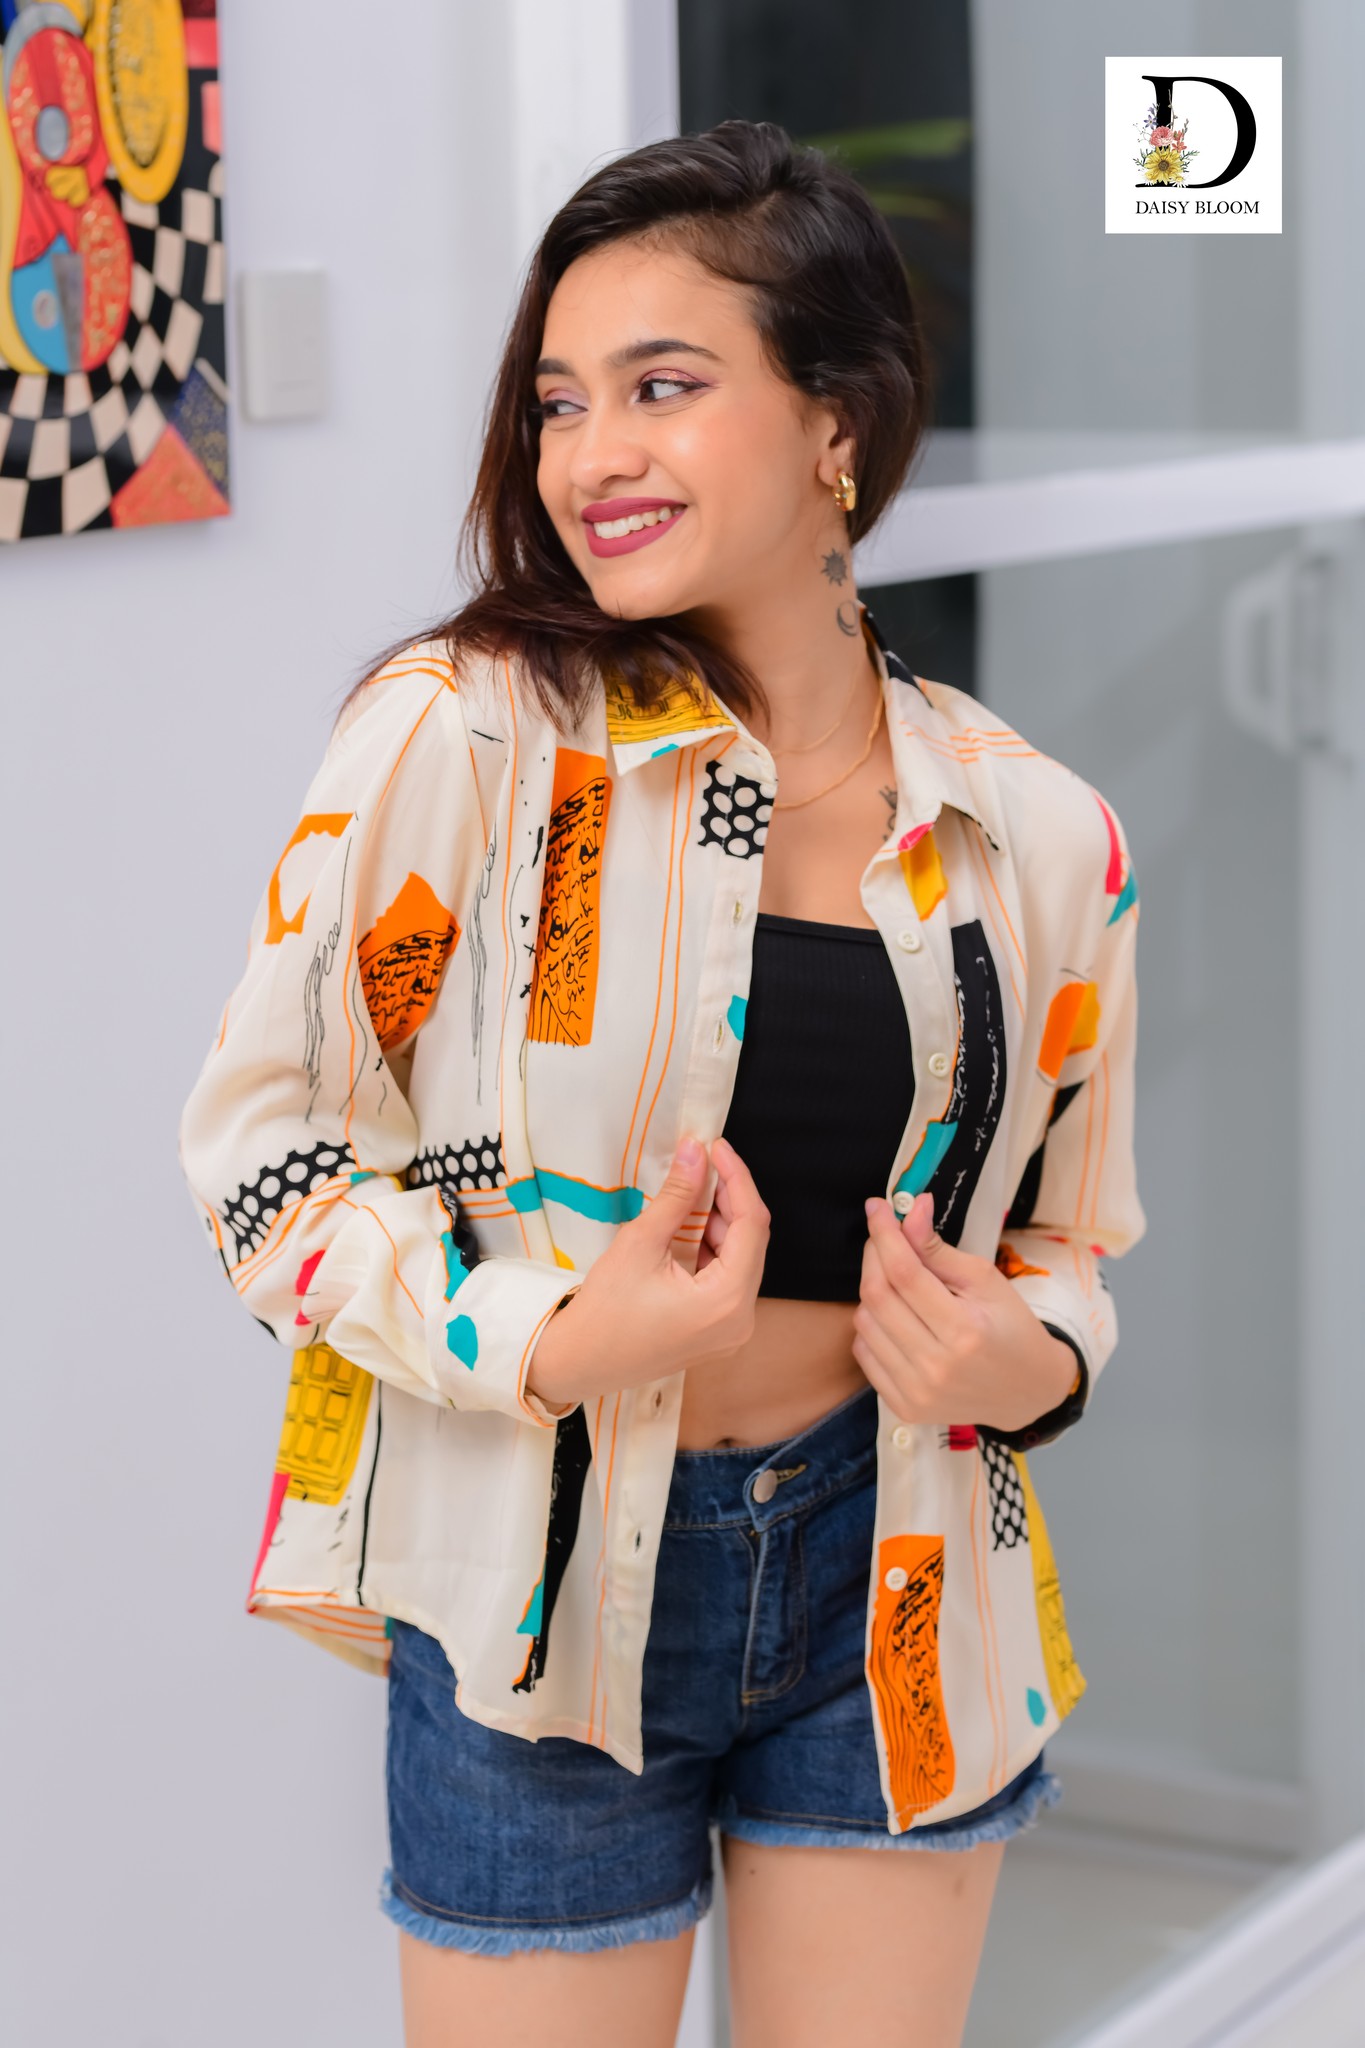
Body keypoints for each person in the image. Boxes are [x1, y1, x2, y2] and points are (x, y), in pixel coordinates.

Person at [179, 119, 1145, 2048]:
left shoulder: (1037, 835)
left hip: (896, 1566)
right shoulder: (461, 738)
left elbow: (1063, 1243)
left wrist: (1021, 1364)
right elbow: (264, 1157)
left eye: (662, 387)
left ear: (835, 424)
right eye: (559, 402)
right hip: (534, 1583)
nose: (588, 456)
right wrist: (551, 1334)